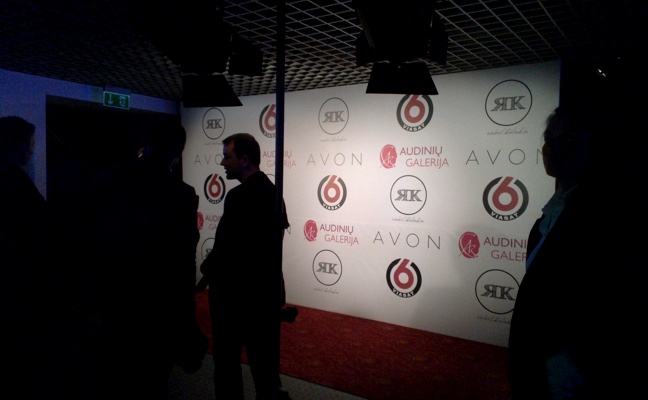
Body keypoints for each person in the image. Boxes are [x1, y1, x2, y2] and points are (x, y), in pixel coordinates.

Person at [507, 106, 648, 399]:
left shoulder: (613, 215)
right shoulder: (553, 210)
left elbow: (622, 300)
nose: (553, 148)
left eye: (568, 140)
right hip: (538, 360)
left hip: (570, 374)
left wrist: (575, 365)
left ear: (594, 146)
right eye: (549, 138)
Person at [86, 119, 207, 399]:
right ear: (179, 152)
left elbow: (90, 241)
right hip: (157, 307)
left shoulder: (108, 180)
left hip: (114, 300)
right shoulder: (181, 194)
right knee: (152, 382)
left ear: (147, 145)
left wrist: (92, 298)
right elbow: (183, 263)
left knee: (111, 379)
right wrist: (187, 319)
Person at [199, 133, 291, 400]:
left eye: (227, 157)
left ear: (245, 160)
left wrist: (206, 272)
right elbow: (273, 247)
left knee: (227, 364)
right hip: (265, 294)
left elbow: (226, 249)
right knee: (265, 369)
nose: (222, 163)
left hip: (234, 297)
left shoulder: (238, 196)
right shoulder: (274, 194)